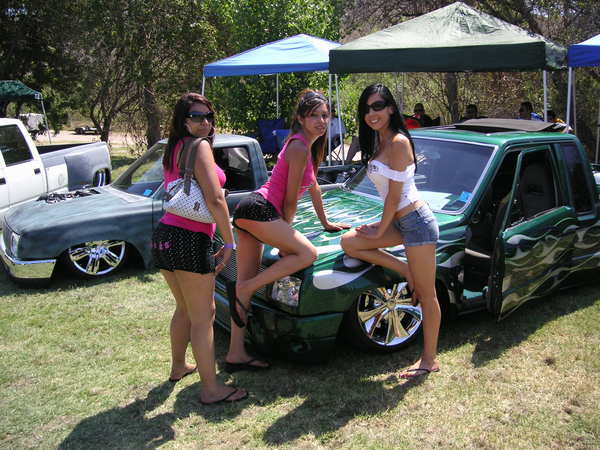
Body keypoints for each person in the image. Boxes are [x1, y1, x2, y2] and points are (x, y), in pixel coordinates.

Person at [227, 89, 350, 371]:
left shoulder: (307, 146)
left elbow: (313, 187)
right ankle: (248, 286)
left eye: (325, 115)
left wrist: (325, 223)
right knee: (307, 253)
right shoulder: (298, 146)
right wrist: (286, 235)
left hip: (252, 211)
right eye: (314, 115)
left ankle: (235, 353)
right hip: (260, 209)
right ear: (301, 118)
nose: (321, 121)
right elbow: (291, 198)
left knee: (243, 291)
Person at [151, 92, 247, 405]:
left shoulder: (174, 147)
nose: (204, 122)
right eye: (196, 116)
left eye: (208, 116)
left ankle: (179, 366)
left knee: (185, 308)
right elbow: (216, 199)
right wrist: (229, 241)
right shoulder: (200, 146)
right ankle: (211, 389)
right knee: (204, 316)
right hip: (191, 239)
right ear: (183, 120)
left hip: (165, 236)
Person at [340, 84, 440, 379]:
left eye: (378, 106)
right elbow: (388, 198)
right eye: (367, 108)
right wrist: (378, 225)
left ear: (391, 108)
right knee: (350, 242)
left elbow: (395, 197)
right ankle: (406, 270)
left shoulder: (398, 142)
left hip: (417, 223)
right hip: (398, 222)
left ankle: (429, 360)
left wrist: (379, 230)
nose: (372, 113)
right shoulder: (379, 141)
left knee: (427, 295)